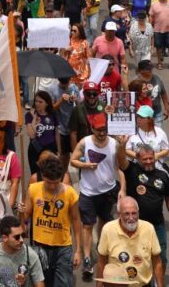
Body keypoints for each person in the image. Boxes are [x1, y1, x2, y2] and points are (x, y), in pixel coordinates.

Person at [70, 113, 123, 281]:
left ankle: (101, 249)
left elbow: (121, 166)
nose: (102, 133)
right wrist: (85, 165)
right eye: (99, 130)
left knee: (105, 222)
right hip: (88, 192)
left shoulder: (114, 144)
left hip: (108, 191)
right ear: (92, 128)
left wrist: (123, 189)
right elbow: (73, 160)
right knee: (87, 225)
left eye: (105, 130)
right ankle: (87, 258)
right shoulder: (85, 142)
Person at [20, 156, 82, 286]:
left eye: (56, 182)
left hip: (63, 247)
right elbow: (25, 219)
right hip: (39, 245)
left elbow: (76, 221)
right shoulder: (33, 189)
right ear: (42, 176)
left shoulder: (70, 193)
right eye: (49, 182)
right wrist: (21, 212)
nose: (53, 186)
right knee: (41, 283)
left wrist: (78, 251)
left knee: (63, 283)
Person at [118, 140, 169, 272]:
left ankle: (159, 283)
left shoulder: (163, 175)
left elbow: (168, 199)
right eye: (145, 159)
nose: (148, 161)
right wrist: (122, 145)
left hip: (157, 225)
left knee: (161, 257)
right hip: (135, 224)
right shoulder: (132, 170)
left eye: (151, 158)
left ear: (154, 157)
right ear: (138, 158)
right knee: (136, 258)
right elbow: (120, 159)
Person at [97, 196, 163, 287]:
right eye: (126, 214)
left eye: (134, 213)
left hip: (143, 285)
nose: (131, 218)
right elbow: (101, 260)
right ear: (119, 214)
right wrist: (99, 284)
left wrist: (160, 285)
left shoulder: (148, 228)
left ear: (138, 213)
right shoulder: (108, 230)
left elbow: (157, 260)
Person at [0, 215, 45, 287]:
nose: (21, 240)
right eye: (17, 237)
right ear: (5, 238)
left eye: (22, 235)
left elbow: (40, 284)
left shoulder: (30, 255)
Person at [25, 91, 60, 175]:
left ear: (47, 103)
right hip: (35, 149)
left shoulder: (53, 114)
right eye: (36, 101)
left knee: (50, 174)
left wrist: (59, 150)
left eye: (40, 102)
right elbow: (32, 135)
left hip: (51, 148)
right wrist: (34, 119)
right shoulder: (29, 115)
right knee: (36, 175)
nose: (37, 104)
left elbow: (57, 134)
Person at [125, 104, 169, 169]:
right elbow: (126, 150)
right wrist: (140, 157)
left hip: (157, 168)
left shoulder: (160, 132)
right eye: (137, 116)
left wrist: (157, 155)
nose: (138, 119)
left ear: (149, 119)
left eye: (142, 117)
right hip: (137, 169)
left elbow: (166, 149)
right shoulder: (131, 132)